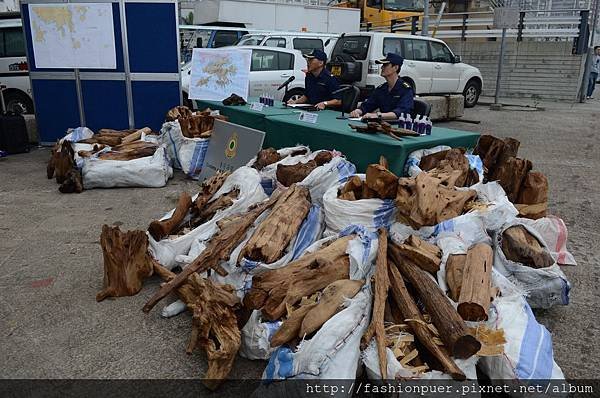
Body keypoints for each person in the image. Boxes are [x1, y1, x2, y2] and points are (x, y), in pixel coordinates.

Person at [349, 53, 414, 119]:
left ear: (395, 68)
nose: (382, 67)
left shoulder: (405, 89)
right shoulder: (381, 89)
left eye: (385, 65)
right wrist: (357, 111)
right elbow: (368, 105)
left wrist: (378, 115)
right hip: (382, 124)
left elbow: (402, 112)